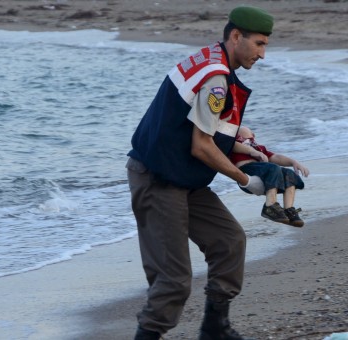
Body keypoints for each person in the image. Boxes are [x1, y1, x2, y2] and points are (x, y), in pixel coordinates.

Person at [125, 6, 274, 340]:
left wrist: (245, 142)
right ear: (236, 36)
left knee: (229, 241)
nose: (263, 55)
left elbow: (205, 124)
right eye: (259, 44)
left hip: (183, 177)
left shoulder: (210, 59)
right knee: (174, 280)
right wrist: (245, 180)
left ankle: (214, 328)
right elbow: (202, 146)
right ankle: (147, 335)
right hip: (157, 178)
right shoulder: (217, 79)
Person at [230, 126, 309, 227]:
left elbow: (276, 157)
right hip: (246, 172)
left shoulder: (260, 148)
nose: (244, 139)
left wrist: (293, 162)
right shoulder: (235, 145)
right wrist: (251, 151)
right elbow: (232, 145)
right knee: (273, 168)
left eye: (248, 139)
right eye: (240, 138)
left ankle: (289, 210)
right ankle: (270, 205)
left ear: (253, 136)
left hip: (265, 174)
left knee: (289, 174)